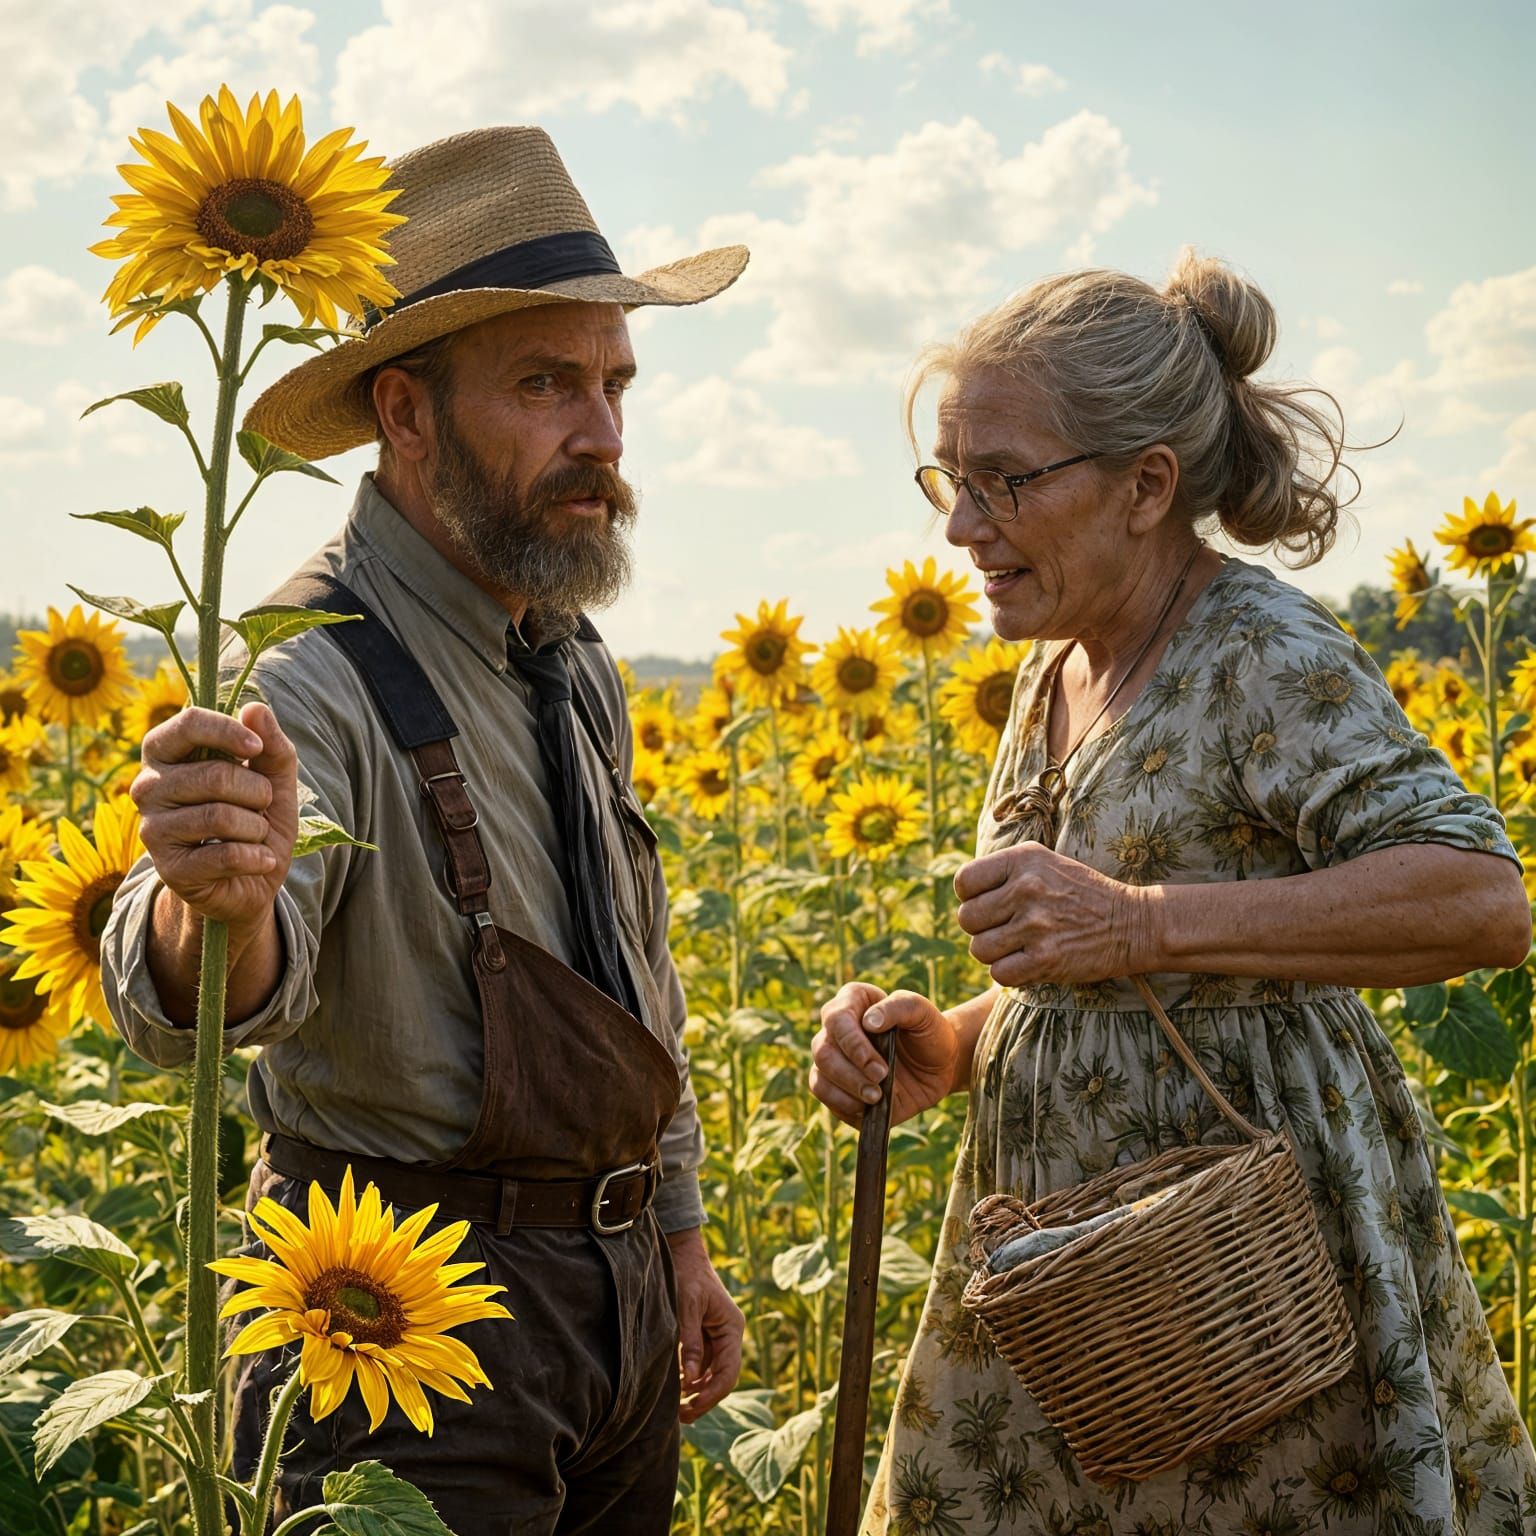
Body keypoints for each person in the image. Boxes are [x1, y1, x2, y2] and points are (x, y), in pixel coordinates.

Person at [810, 250, 1536, 1533]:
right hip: (1068, 1284)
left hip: (1252, 1295)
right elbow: (1107, 984)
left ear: (1148, 485)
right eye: (950, 479)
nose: (962, 528)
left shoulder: (1260, 650)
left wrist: (1140, 919)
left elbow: (1482, 896)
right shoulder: (1054, 670)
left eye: (1004, 482)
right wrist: (957, 1045)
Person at [101, 125, 747, 1535]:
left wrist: (679, 1232)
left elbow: (633, 971)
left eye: (614, 385)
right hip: (392, 1324)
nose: (603, 435)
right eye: (545, 386)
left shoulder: (570, 654)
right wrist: (214, 893)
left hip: (621, 1303)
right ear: (404, 412)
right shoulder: (299, 667)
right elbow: (192, 980)